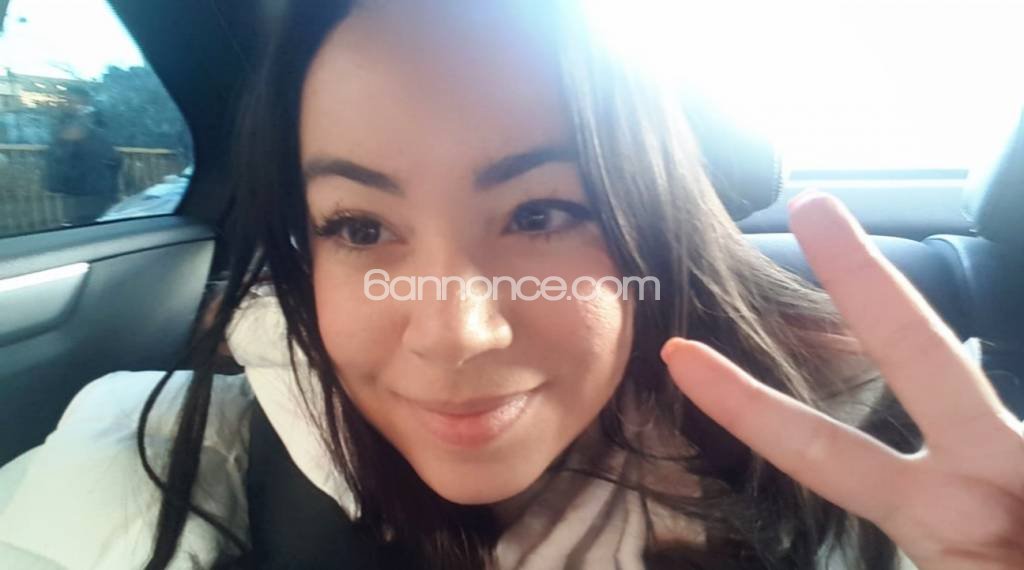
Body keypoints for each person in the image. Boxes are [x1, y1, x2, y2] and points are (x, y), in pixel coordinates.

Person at [1, 1, 1022, 569]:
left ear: (649, 232)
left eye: (540, 214)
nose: (454, 333)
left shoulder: (880, 495)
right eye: (360, 227)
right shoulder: (149, 468)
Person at [43, 85, 123, 226]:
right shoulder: (68, 126)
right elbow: (59, 156)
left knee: (96, 225)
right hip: (79, 191)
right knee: (84, 225)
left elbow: (111, 157)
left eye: (73, 100)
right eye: (67, 100)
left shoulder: (95, 125)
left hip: (96, 189)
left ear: (86, 102)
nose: (69, 104)